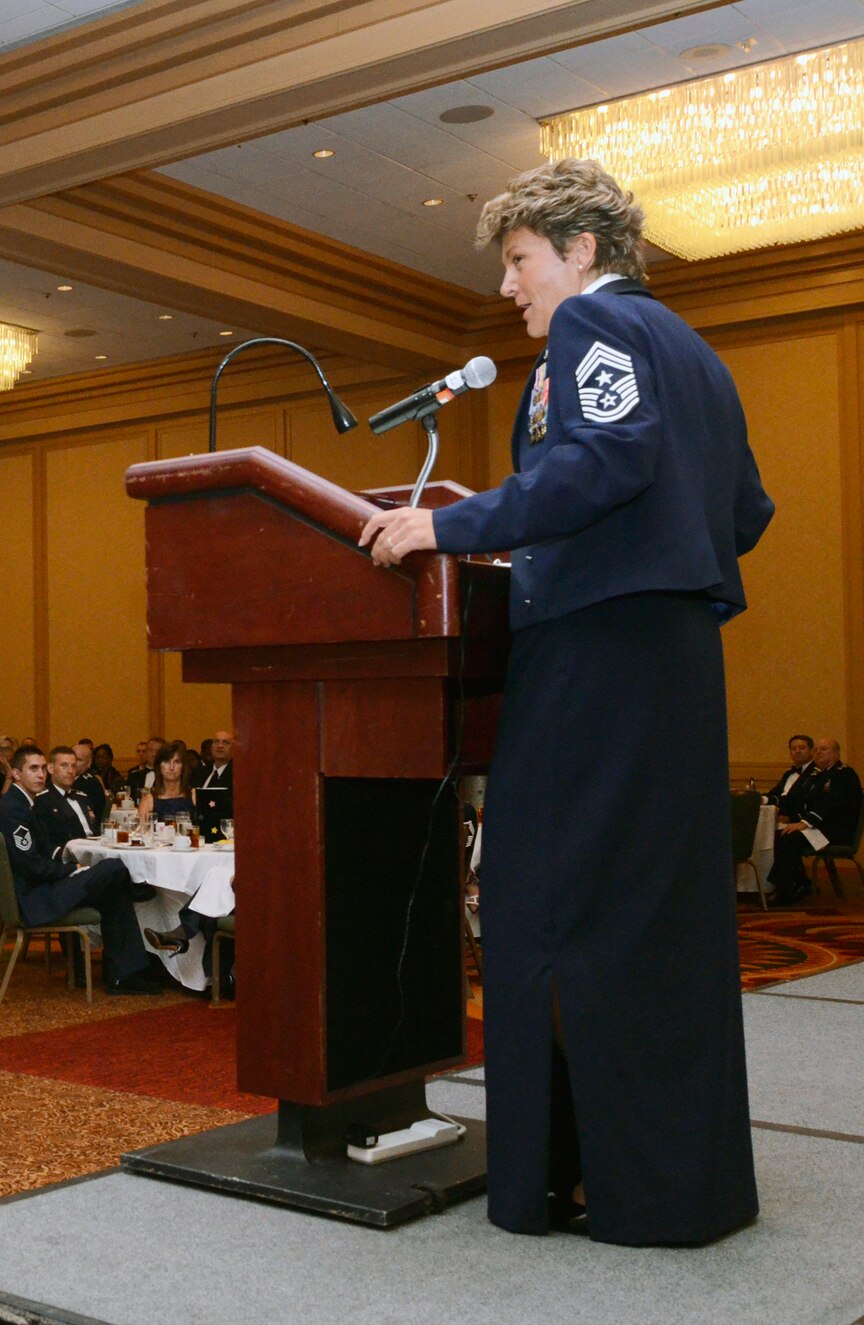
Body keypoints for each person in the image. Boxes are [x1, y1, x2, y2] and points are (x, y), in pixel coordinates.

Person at [359, 158, 769, 1246]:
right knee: (654, 917)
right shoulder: (694, 352)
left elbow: (609, 458)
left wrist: (444, 526)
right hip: (672, 655)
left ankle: (572, 1178)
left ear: (580, 251)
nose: (508, 288)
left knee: (553, 900)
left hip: (595, 651)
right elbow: (745, 508)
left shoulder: (593, 335)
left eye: (519, 260)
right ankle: (669, 1180)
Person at [0, 747, 160, 994]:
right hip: (35, 898)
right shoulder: (15, 809)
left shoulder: (23, 803)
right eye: (32, 769)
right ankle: (124, 972)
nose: (40, 775)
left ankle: (123, 975)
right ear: (16, 774)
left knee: (113, 887)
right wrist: (71, 869)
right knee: (113, 868)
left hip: (38, 887)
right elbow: (31, 865)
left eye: (41, 768)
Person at [769, 738, 862, 906]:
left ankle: (785, 888)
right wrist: (776, 807)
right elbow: (793, 799)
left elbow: (830, 805)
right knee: (777, 835)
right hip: (814, 828)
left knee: (789, 838)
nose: (818, 752)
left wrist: (805, 823)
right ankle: (798, 883)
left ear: (836, 753)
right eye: (817, 749)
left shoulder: (844, 774)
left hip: (833, 831)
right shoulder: (814, 774)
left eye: (824, 749)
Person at [37, 748, 101, 848]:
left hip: (95, 847)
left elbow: (95, 830)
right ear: (50, 768)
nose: (70, 771)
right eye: (64, 765)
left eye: (73, 766)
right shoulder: (43, 800)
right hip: (70, 853)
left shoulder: (82, 797)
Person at [138, 743, 196, 826]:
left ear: (183, 767)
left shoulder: (194, 796)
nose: (171, 767)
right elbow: (142, 833)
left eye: (177, 762)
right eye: (167, 762)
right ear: (159, 767)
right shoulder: (148, 801)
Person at [194, 730, 235, 831]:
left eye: (226, 743)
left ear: (234, 748)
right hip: (199, 830)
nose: (220, 746)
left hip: (226, 831)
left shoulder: (238, 774)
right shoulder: (200, 772)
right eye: (216, 742)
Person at [764, 734, 816, 809]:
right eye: (793, 749)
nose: (797, 751)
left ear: (812, 751)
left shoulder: (816, 773)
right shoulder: (788, 773)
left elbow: (800, 799)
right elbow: (775, 792)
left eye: (802, 748)